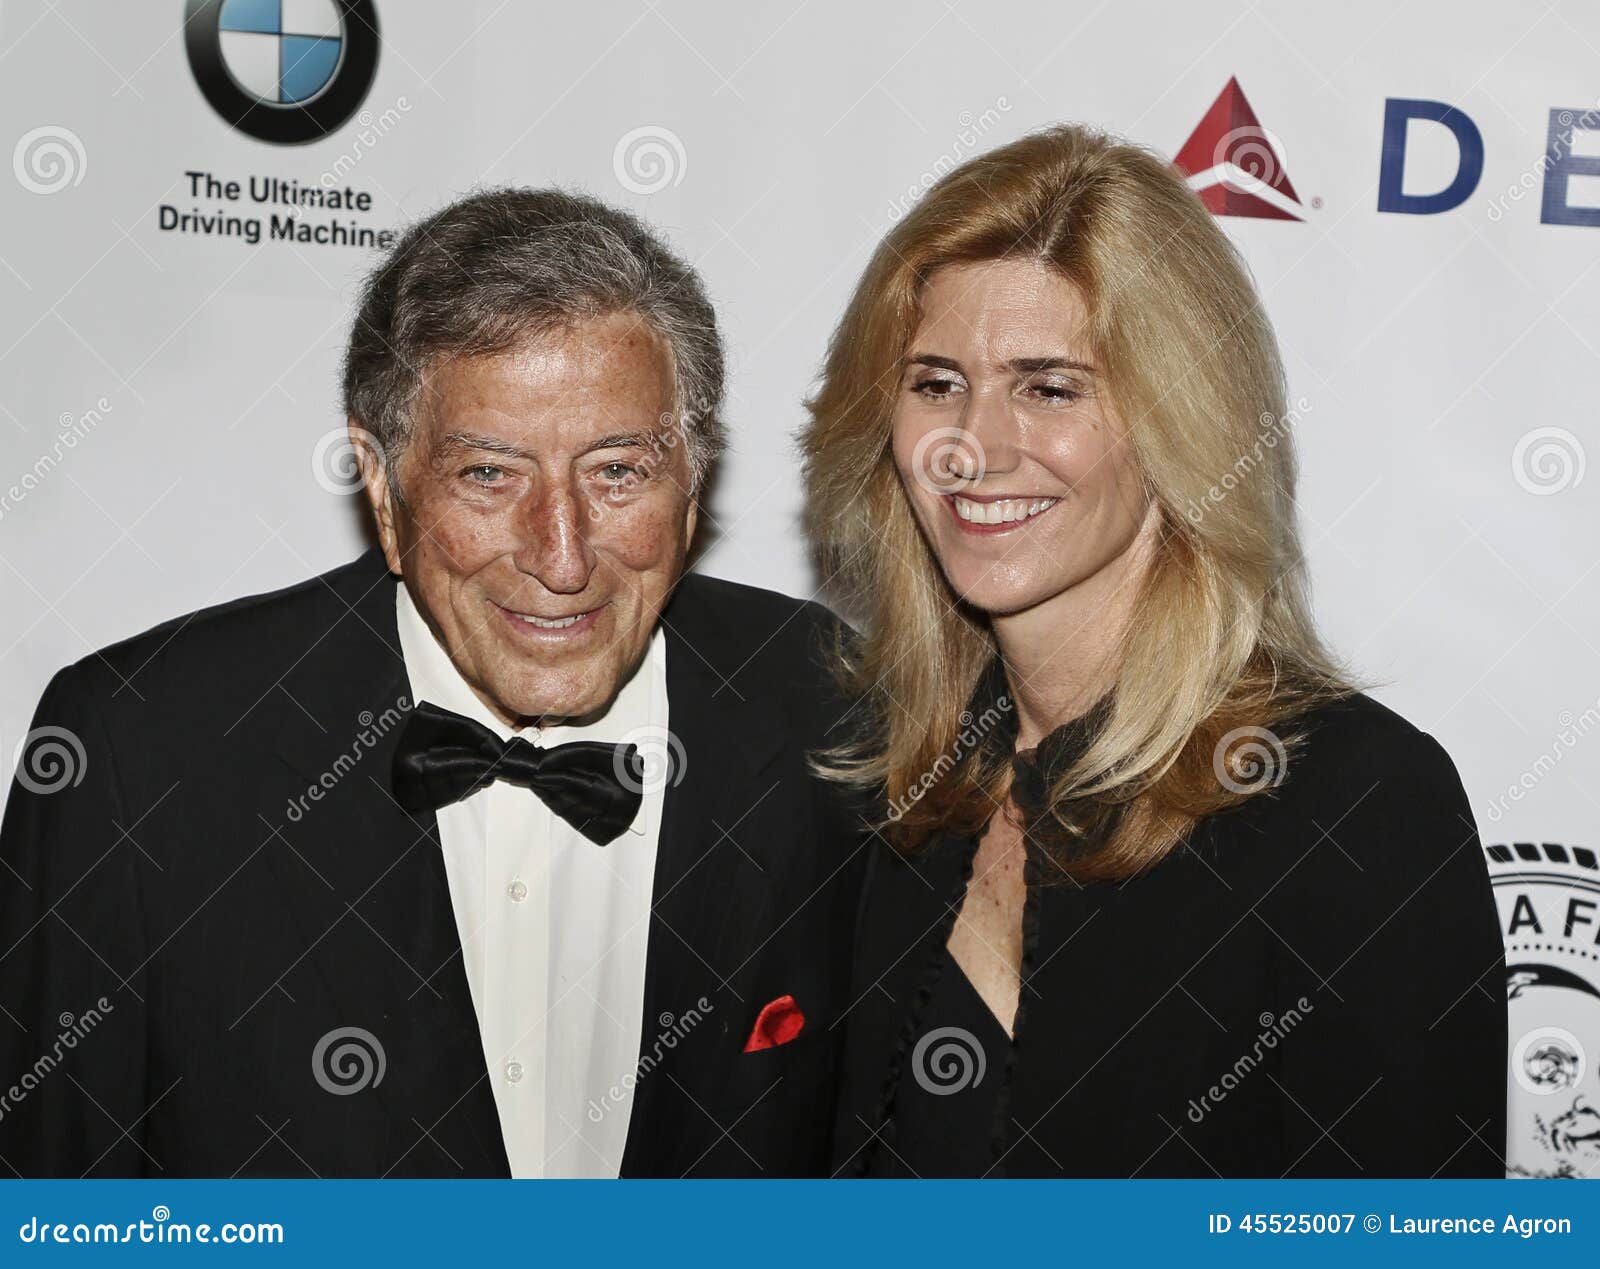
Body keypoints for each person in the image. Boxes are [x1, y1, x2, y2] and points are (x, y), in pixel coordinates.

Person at [0, 188, 864, 1178]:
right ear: (382, 485)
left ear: (694, 477)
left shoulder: (834, 711)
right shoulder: (141, 754)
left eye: (618, 471)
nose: (562, 555)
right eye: (489, 475)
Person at [804, 125, 1506, 1178]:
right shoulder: (890, 781)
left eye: (1049, 387)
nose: (968, 447)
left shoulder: (1356, 806)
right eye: (936, 383)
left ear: (1182, 419)